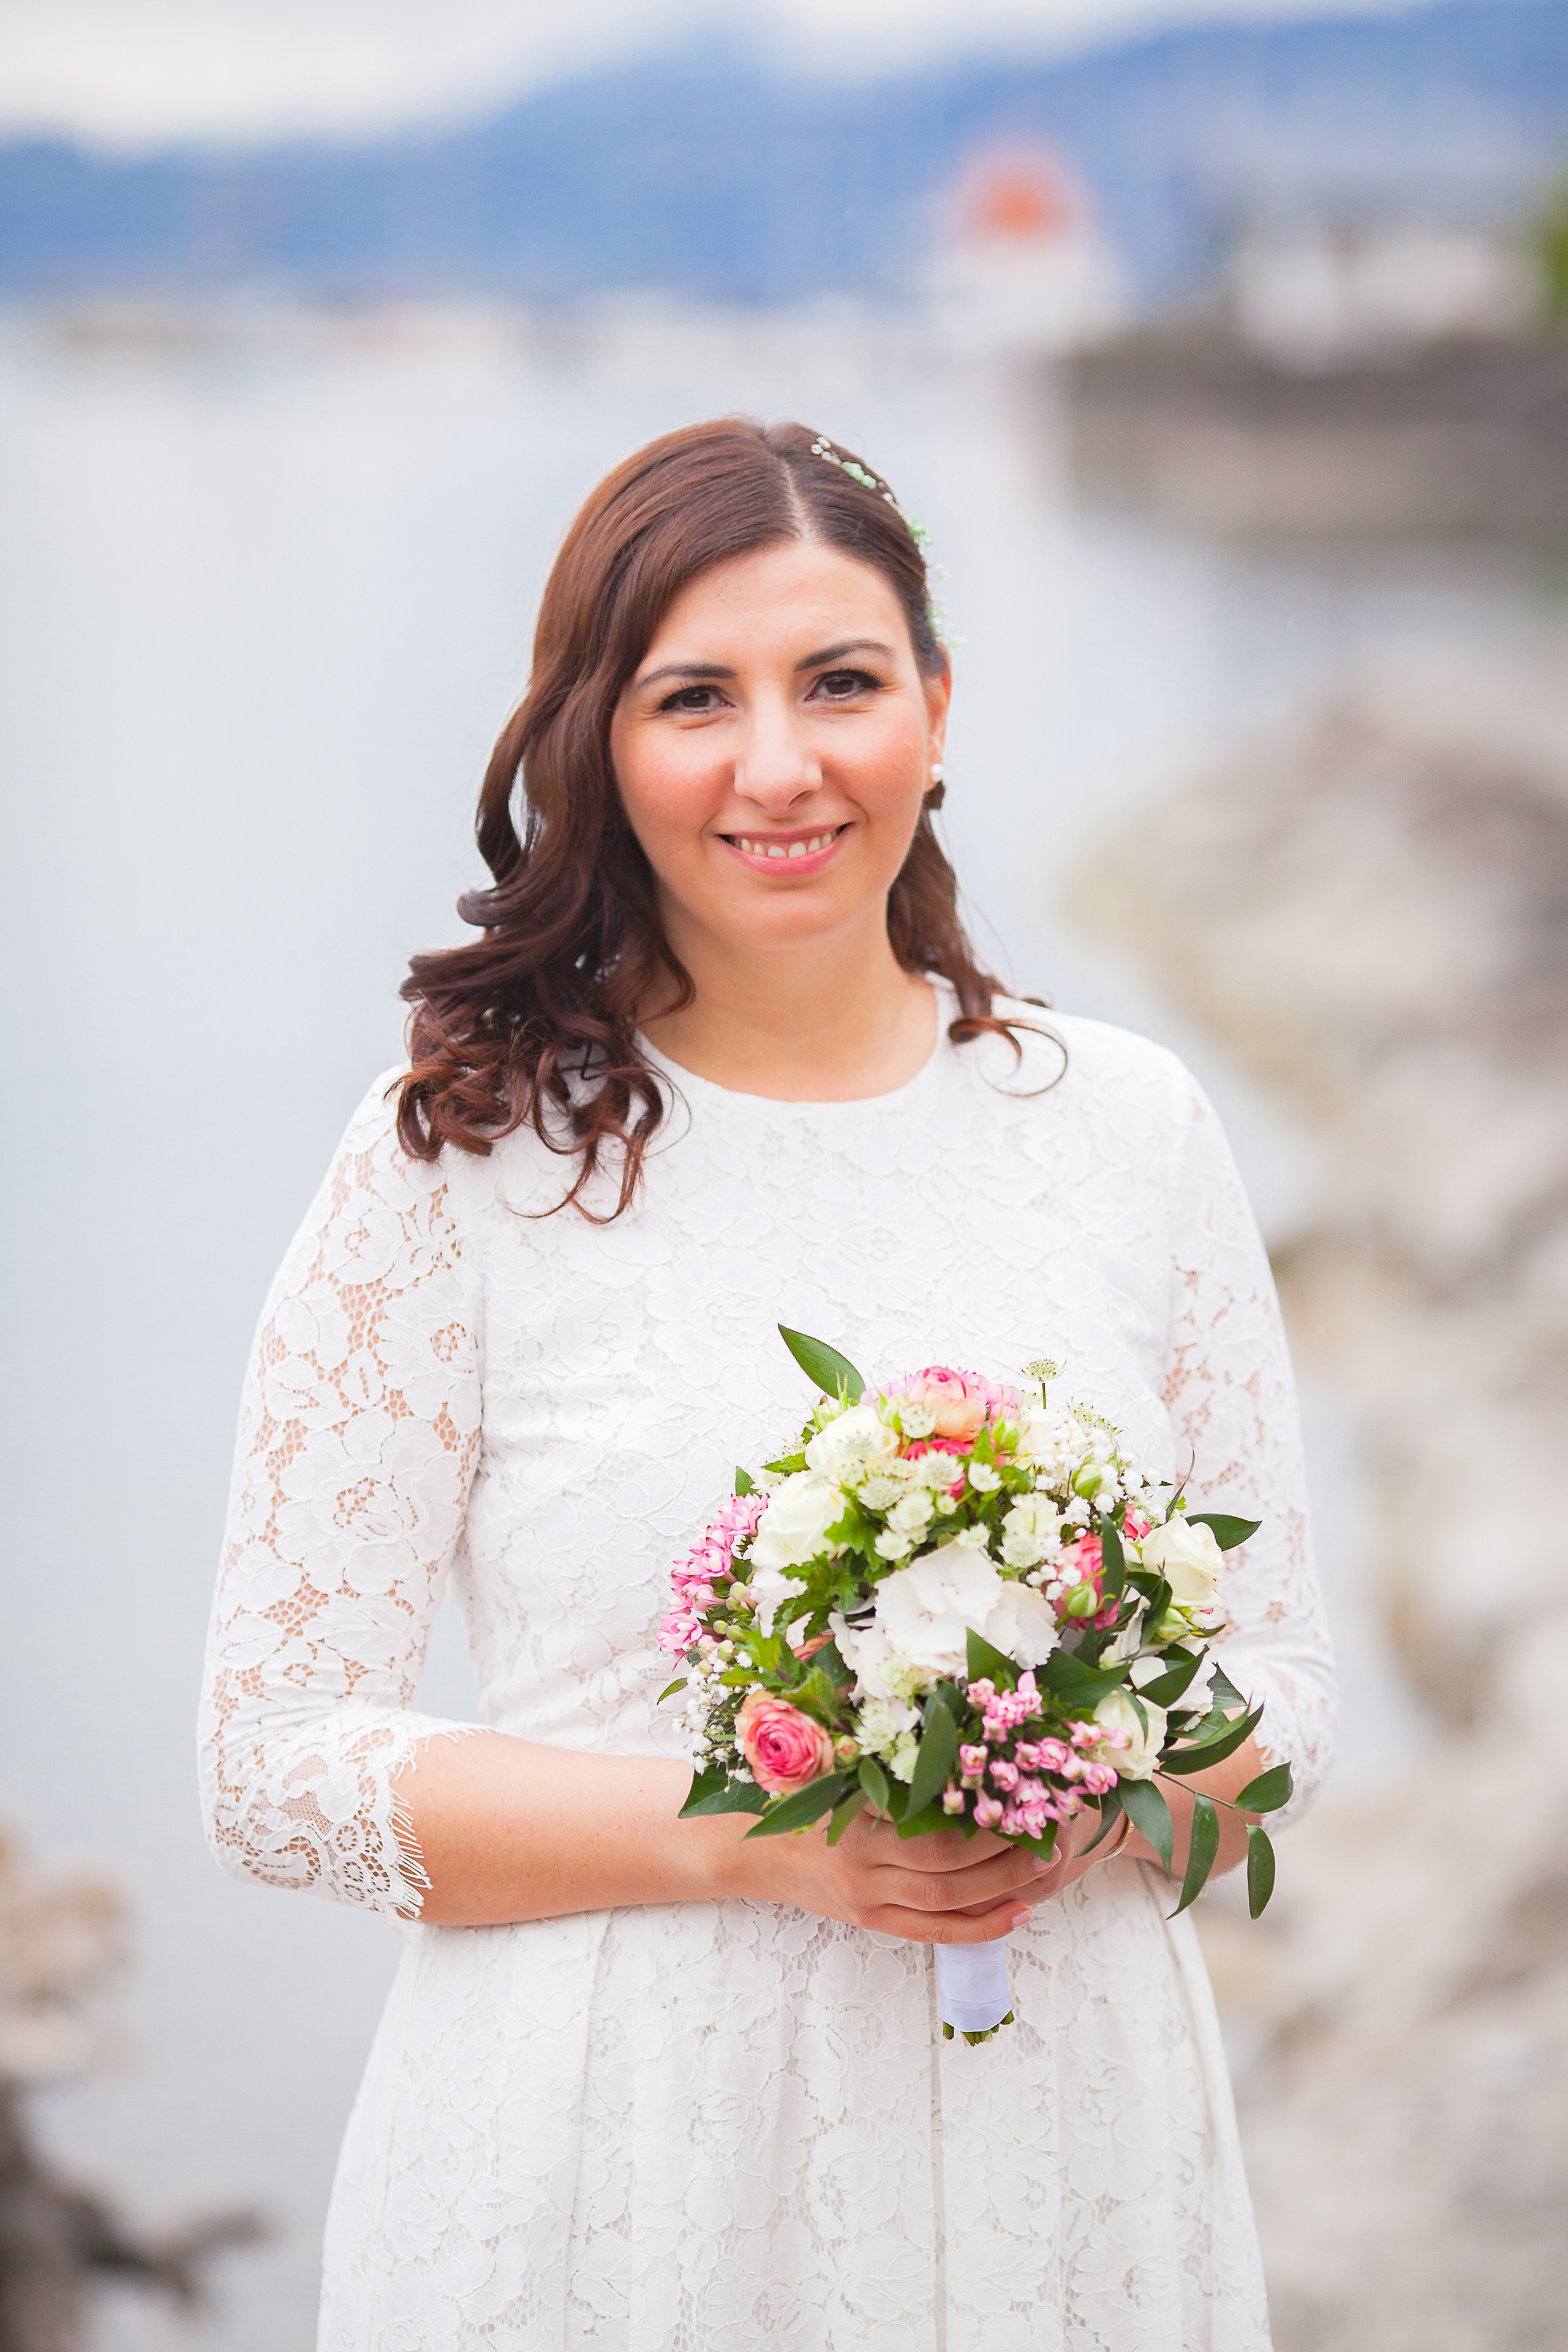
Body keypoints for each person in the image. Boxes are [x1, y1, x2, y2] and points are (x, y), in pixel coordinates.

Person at [199, 417, 1335, 2351]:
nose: (779, 766)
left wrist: (1078, 1790)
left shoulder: (1128, 1127)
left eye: (840, 682)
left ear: (939, 709)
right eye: (694, 699)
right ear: (599, 746)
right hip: (615, 2172)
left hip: (1065, 2163)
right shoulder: (462, 1159)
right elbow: (274, 1762)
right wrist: (748, 1831)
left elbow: (1288, 1704)